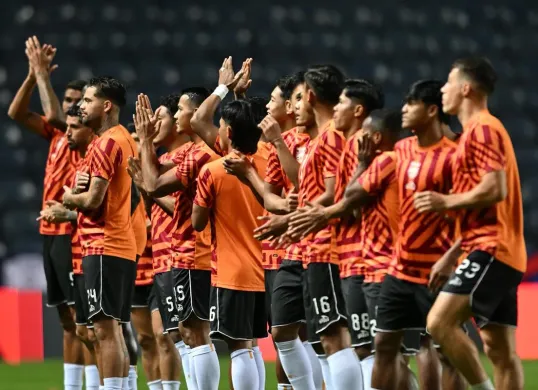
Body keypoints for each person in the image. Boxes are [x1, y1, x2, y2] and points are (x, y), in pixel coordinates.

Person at [418, 57, 525, 390]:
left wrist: (444, 201)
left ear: (466, 88)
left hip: (492, 249)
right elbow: (479, 206)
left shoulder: (483, 128)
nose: (443, 90)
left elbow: (495, 189)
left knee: (438, 323)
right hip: (499, 249)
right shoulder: (474, 133)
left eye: (449, 82)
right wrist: (452, 254)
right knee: (499, 350)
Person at [7, 36, 86, 390]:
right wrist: (30, 75)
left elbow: (51, 113)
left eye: (76, 102)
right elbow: (16, 113)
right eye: (67, 100)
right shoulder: (56, 136)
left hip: (74, 234)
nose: (69, 108)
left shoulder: (86, 142)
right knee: (66, 321)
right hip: (49, 235)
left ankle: (101, 383)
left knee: (84, 321)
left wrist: (42, 75)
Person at [136, 87, 222, 390]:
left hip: (190, 251)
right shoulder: (179, 155)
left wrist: (145, 147)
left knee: (194, 332)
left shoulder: (196, 153)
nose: (155, 124)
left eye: (161, 118)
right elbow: (152, 183)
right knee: (178, 333)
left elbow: (158, 188)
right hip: (169, 253)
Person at [63, 76, 137, 390]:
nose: (82, 105)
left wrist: (69, 197)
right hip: (121, 244)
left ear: (106, 106)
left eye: (89, 100)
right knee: (114, 329)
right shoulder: (123, 138)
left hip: (103, 245)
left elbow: (93, 200)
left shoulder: (107, 142)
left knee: (104, 330)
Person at [192, 99, 268, 390]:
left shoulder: (213, 171)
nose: (218, 131)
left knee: (238, 346)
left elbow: (197, 222)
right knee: (251, 343)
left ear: (230, 132)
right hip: (265, 269)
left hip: (231, 271)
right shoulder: (268, 160)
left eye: (222, 126)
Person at [129, 94, 192, 390]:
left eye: (162, 117)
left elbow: (180, 211)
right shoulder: (160, 159)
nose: (155, 123)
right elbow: (150, 200)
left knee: (176, 336)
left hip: (183, 256)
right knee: (156, 335)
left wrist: (148, 187)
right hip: (158, 259)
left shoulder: (189, 157)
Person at [39, 105, 99, 390]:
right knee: (84, 328)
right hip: (81, 246)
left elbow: (111, 208)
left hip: (99, 249)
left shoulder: (98, 155)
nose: (67, 130)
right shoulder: (86, 159)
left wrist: (69, 210)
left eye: (74, 126)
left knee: (104, 330)